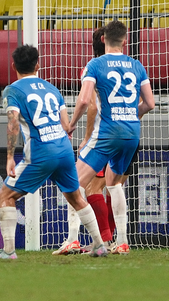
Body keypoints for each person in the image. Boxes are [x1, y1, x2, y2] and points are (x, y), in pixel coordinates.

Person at [0, 45, 109, 259]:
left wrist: (9, 157)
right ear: (38, 65)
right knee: (75, 197)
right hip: (64, 149)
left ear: (13, 66)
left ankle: (8, 251)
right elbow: (66, 124)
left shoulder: (13, 90)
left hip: (40, 151)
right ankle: (99, 245)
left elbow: (13, 123)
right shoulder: (52, 89)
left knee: (5, 195)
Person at [67, 20, 156, 255]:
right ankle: (123, 241)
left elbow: (85, 101)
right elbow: (151, 103)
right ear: (125, 41)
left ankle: (80, 240)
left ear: (103, 39)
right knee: (114, 185)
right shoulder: (136, 65)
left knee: (72, 182)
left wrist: (72, 124)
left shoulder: (95, 64)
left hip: (107, 133)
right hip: (132, 133)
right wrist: (130, 114)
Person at [53, 27, 117, 256]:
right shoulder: (122, 66)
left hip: (101, 136)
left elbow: (89, 105)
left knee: (81, 185)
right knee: (108, 187)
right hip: (124, 133)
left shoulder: (93, 68)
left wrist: (87, 137)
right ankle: (114, 240)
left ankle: (82, 239)